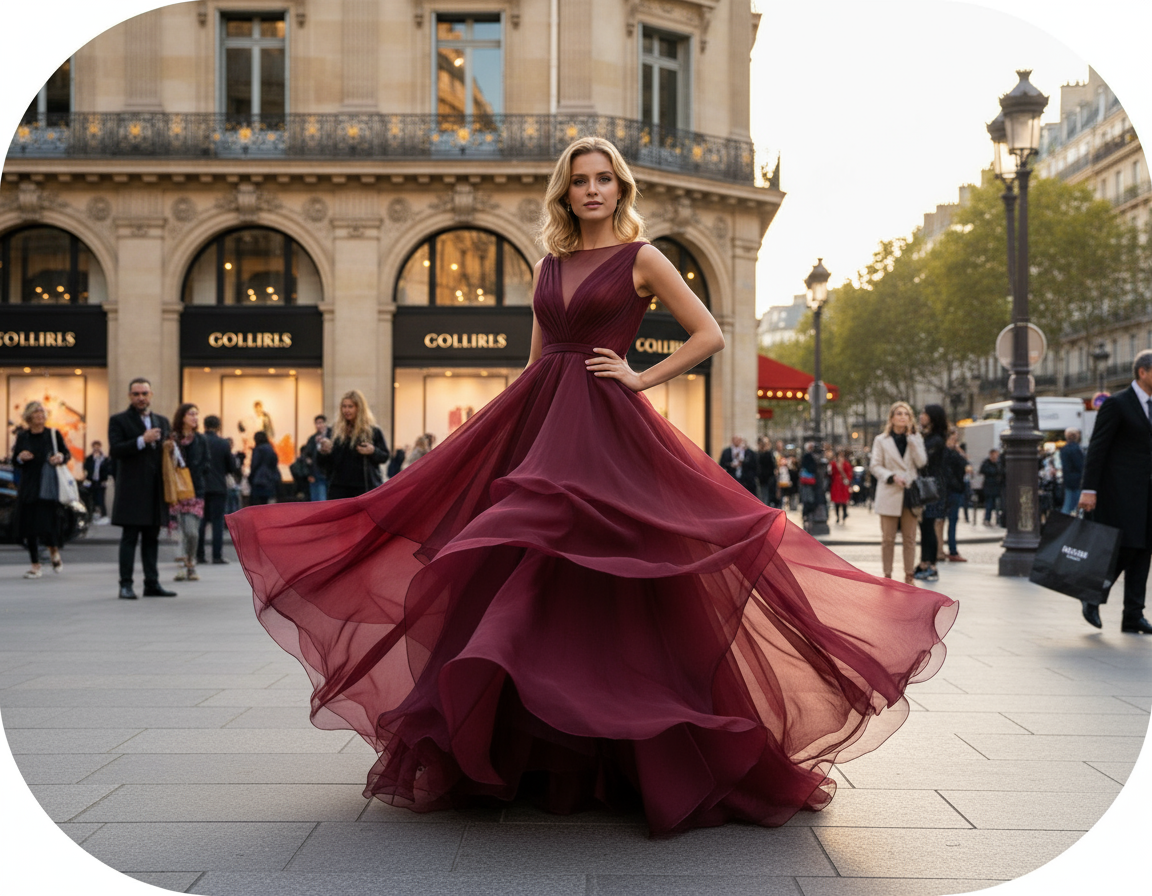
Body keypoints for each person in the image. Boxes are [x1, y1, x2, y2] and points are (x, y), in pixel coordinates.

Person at [228, 136, 956, 835]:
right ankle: (540, 754)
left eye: (603, 178)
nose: (592, 190)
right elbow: (537, 359)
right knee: (525, 574)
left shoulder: (642, 257)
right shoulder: (549, 264)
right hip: (544, 421)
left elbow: (709, 334)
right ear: (566, 192)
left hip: (607, 426)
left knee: (622, 572)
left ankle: (634, 756)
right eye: (580, 180)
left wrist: (639, 376)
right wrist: (498, 433)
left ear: (620, 188)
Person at [1077, 350, 1152, 634]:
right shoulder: (1117, 404)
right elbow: (1097, 448)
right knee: (1125, 548)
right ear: (1143, 372)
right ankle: (1092, 594)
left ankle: (1133, 614)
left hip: (1147, 493)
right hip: (1119, 493)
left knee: (1144, 550)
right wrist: (1089, 489)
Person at [108, 377, 176, 600]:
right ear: (130, 396)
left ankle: (152, 583)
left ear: (151, 395)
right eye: (136, 394)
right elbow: (116, 449)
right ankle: (125, 585)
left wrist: (170, 448)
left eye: (144, 394)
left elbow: (167, 456)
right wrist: (141, 440)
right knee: (129, 538)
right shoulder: (119, 420)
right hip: (131, 490)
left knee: (151, 538)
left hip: (155, 490)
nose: (140, 398)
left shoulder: (162, 420)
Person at [869, 401, 928, 585]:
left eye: (907, 414)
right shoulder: (881, 440)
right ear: (892, 418)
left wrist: (913, 442)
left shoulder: (916, 438)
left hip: (910, 495)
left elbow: (922, 462)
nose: (903, 417)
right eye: (899, 414)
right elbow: (875, 465)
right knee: (888, 539)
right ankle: (887, 575)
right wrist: (892, 476)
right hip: (889, 492)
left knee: (910, 539)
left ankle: (909, 575)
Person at [12, 401, 69, 578]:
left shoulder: (52, 434)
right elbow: (15, 460)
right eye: (36, 414)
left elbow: (66, 454)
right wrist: (21, 457)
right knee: (29, 527)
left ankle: (53, 550)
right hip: (29, 486)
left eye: (42, 414)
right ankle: (35, 565)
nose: (40, 417)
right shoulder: (23, 436)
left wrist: (60, 457)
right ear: (29, 417)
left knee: (47, 524)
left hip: (48, 485)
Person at [315, 391, 391, 499]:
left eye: (350, 406)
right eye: (344, 406)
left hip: (364, 487)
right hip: (339, 487)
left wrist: (373, 451)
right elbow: (323, 463)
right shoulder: (334, 431)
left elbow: (385, 456)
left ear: (359, 408)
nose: (346, 410)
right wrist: (324, 451)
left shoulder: (373, 431)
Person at [166, 403, 208, 582]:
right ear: (182, 416)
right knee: (180, 531)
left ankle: (191, 560)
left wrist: (194, 474)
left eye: (197, 415)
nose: (195, 418)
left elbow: (207, 462)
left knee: (192, 532)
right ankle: (185, 567)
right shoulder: (172, 439)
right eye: (191, 414)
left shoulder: (200, 439)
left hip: (194, 491)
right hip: (175, 491)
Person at [913, 405, 948, 582]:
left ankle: (930, 564)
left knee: (928, 526)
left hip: (931, 489)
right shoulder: (929, 437)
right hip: (927, 487)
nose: (921, 416)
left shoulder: (936, 440)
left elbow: (923, 460)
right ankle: (924, 562)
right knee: (925, 526)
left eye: (924, 414)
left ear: (933, 417)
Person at [196, 415, 233, 566]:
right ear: (218, 427)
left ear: (204, 425)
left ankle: (199, 555)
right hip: (218, 486)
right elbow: (231, 466)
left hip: (201, 486)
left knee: (201, 521)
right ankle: (217, 556)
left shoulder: (198, 441)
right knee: (217, 522)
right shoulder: (223, 443)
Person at [943, 427, 968, 562]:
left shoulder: (953, 452)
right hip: (952, 491)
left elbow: (965, 463)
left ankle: (949, 550)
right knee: (950, 521)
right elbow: (950, 472)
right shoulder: (947, 453)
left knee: (952, 521)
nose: (955, 441)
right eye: (953, 438)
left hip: (954, 490)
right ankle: (952, 550)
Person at [301, 415, 332, 501]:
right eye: (317, 423)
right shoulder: (312, 439)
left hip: (329, 473)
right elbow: (306, 454)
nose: (319, 425)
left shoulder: (332, 435)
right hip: (316, 473)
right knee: (317, 500)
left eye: (321, 423)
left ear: (325, 423)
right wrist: (309, 471)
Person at [247, 430, 280, 506]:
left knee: (256, 504)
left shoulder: (258, 449)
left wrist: (250, 477)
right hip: (270, 479)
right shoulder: (271, 449)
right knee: (266, 504)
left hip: (259, 479)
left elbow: (254, 465)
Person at [82, 440, 110, 520]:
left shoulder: (104, 459)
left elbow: (106, 469)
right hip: (92, 481)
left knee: (101, 498)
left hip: (101, 481)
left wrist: (105, 478)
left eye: (98, 447)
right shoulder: (89, 458)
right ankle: (91, 515)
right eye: (95, 447)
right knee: (91, 498)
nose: (96, 449)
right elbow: (86, 467)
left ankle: (103, 514)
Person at [1059, 428, 1085, 515]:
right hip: (1077, 480)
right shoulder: (1076, 449)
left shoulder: (1064, 449)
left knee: (1068, 504)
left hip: (1068, 479)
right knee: (1077, 505)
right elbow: (1080, 465)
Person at [979, 449, 1003, 527]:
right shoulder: (987, 463)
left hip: (997, 486)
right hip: (989, 486)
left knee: (998, 505)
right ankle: (987, 519)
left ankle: (998, 520)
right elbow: (983, 470)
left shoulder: (999, 463)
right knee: (989, 504)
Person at [828, 448, 852, 523]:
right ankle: (838, 516)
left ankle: (844, 514)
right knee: (837, 501)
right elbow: (831, 473)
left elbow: (849, 473)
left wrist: (847, 480)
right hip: (836, 484)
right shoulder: (833, 464)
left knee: (844, 500)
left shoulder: (846, 464)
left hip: (843, 484)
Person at [756, 437, 778, 508]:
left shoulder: (769, 454)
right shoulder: (758, 454)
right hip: (761, 479)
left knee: (766, 497)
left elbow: (773, 466)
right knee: (761, 496)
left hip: (768, 479)